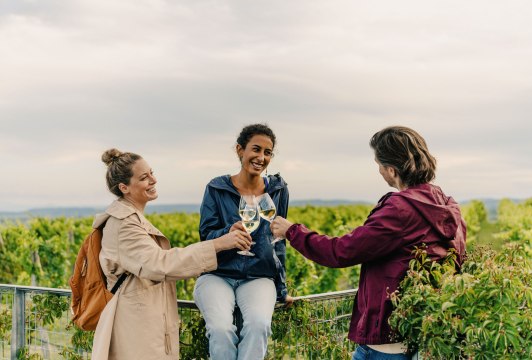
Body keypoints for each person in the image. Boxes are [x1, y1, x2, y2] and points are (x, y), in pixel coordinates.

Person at [271, 126, 466, 360]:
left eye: (379, 166)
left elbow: (341, 251)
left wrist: (293, 232)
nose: (380, 172)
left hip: (386, 339)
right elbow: (458, 262)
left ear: (392, 170)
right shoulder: (447, 206)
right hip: (423, 332)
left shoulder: (399, 209)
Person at [91, 149, 251, 360]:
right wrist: (217, 245)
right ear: (124, 188)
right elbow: (160, 264)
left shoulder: (131, 218)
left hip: (143, 322)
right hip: (134, 327)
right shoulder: (123, 224)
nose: (153, 180)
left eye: (151, 173)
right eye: (144, 177)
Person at [194, 123, 293, 360]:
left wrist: (281, 289)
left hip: (258, 275)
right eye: (255, 149)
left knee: (259, 326)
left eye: (267, 152)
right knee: (220, 330)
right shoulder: (217, 188)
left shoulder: (279, 190)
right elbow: (206, 236)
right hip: (217, 274)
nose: (261, 157)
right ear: (240, 150)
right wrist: (228, 234)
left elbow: (278, 243)